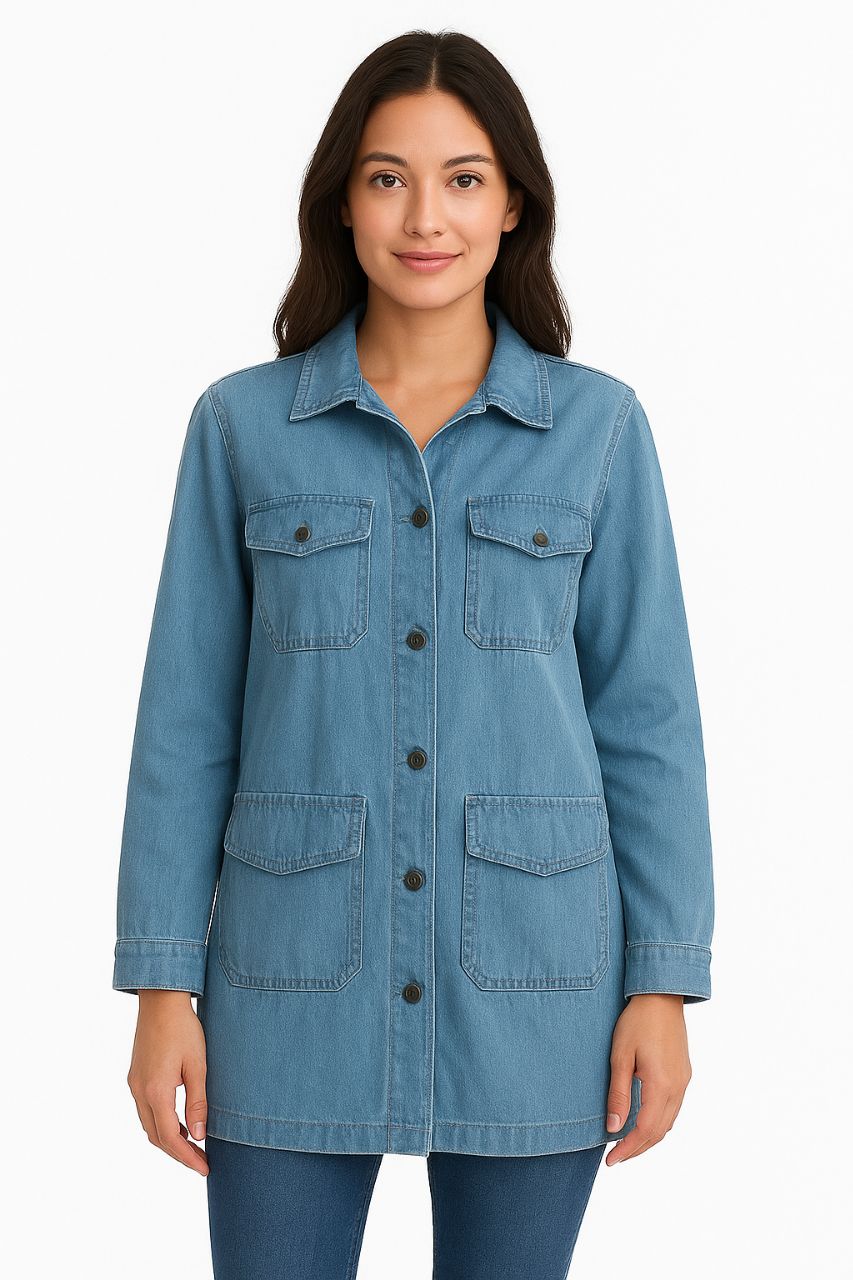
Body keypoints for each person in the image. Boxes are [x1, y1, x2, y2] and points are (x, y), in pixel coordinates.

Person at [112, 28, 715, 1280]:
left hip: (537, 986)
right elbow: (185, 720)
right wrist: (161, 987)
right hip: (286, 983)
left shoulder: (599, 430)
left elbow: (647, 720)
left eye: (463, 178)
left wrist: (661, 982)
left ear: (512, 205)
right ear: (342, 202)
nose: (424, 216)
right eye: (387, 177)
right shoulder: (241, 427)